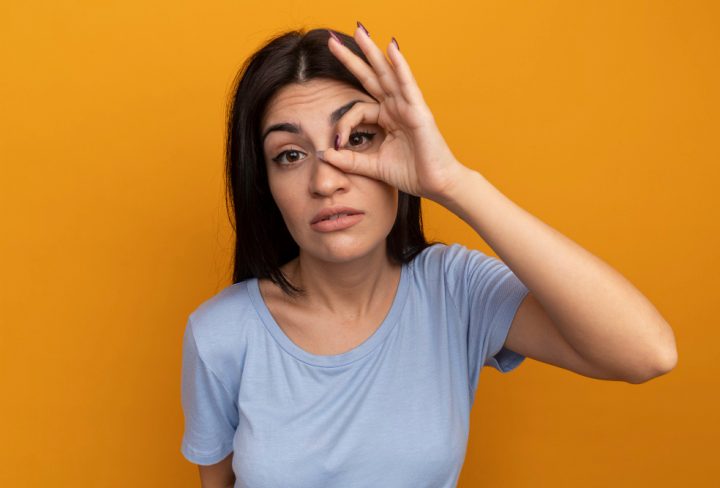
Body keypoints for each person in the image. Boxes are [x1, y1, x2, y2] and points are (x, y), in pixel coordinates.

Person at [180, 22, 677, 488]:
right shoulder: (220, 334)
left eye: (357, 139)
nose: (326, 180)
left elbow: (647, 353)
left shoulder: (454, 291)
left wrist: (452, 182)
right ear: (264, 184)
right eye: (290, 154)